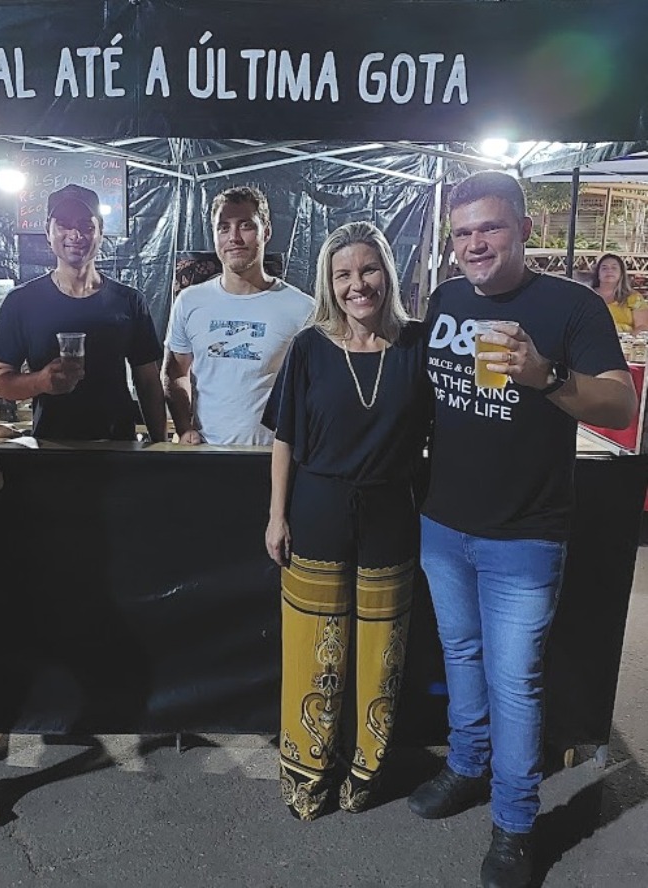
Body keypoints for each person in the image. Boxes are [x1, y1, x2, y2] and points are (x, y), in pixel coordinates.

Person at [410, 171, 637, 888]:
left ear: (524, 230)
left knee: (514, 681)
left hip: (525, 533)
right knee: (460, 654)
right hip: (443, 521)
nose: (474, 244)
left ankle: (513, 823)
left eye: (490, 228)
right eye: (462, 233)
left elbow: (621, 404)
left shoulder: (570, 306)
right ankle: (467, 765)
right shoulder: (446, 298)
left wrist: (546, 376)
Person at [262, 221, 431, 820]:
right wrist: (277, 515)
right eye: (343, 275)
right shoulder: (310, 347)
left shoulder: (417, 344)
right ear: (328, 284)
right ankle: (308, 771)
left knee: (383, 651)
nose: (357, 284)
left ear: (387, 273)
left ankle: (366, 768)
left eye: (368, 269)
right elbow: (285, 436)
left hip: (391, 511)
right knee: (314, 647)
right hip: (319, 507)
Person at [0, 183, 166, 442]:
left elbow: (148, 382)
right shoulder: (21, 301)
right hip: (51, 449)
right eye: (63, 224)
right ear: (48, 232)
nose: (75, 234)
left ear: (101, 231)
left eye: (86, 225)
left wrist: (161, 447)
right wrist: (40, 382)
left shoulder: (129, 301)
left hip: (118, 450)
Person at [163, 185, 313, 445]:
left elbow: (315, 388)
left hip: (273, 457)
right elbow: (175, 372)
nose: (234, 237)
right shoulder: (189, 302)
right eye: (224, 227)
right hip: (206, 454)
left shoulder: (302, 309)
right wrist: (184, 427)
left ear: (266, 232)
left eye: (245, 226)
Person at [589, 252, 648, 334]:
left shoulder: (634, 298)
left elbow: (642, 326)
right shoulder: (586, 296)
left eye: (614, 268)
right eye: (604, 268)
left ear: (621, 273)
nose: (609, 271)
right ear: (598, 274)